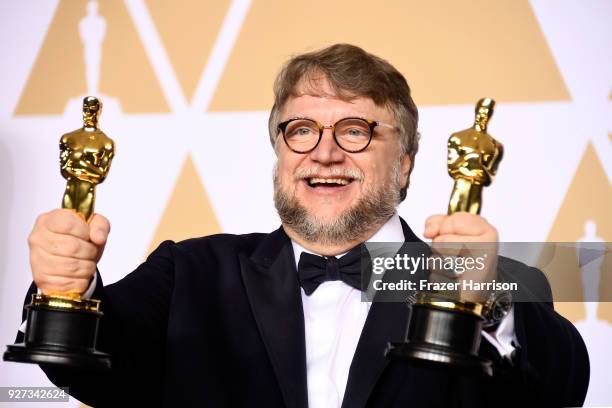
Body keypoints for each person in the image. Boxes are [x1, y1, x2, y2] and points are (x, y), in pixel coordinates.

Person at [18, 44, 588, 407]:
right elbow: (89, 367)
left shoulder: (496, 283)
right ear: (280, 152)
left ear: (407, 161)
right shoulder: (188, 272)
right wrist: (66, 287)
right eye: (301, 131)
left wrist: (482, 300)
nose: (325, 153)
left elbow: (561, 388)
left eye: (356, 129)